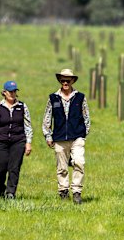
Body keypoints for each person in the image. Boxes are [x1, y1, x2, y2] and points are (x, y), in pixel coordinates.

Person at [42, 69, 91, 204]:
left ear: (72, 81)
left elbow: (86, 116)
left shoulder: (80, 97)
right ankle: (63, 191)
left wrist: (83, 133)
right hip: (59, 138)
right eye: (62, 80)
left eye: (67, 81)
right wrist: (48, 135)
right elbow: (47, 117)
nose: (65, 83)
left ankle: (76, 192)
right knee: (62, 167)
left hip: (77, 137)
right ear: (60, 81)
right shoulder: (53, 98)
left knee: (79, 162)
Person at [0, 80, 33, 199]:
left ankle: (11, 192)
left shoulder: (22, 107)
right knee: (0, 169)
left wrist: (28, 143)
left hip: (18, 141)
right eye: (10, 91)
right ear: (4, 93)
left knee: (14, 168)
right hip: (2, 141)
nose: (12, 93)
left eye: (14, 91)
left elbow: (28, 125)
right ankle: (1, 188)